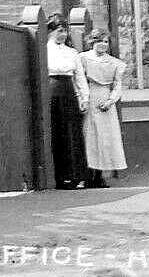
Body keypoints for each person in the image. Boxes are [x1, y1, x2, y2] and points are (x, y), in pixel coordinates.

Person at [76, 29, 127, 188]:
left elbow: (117, 85)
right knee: (90, 136)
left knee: (105, 137)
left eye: (105, 42)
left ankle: (100, 176)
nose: (102, 45)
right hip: (89, 98)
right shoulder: (83, 58)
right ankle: (87, 175)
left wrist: (110, 101)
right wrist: (83, 99)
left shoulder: (114, 63)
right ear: (92, 42)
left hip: (105, 100)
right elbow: (78, 80)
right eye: (99, 41)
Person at [45, 17, 87, 190]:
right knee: (58, 134)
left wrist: (84, 98)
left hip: (69, 93)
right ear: (50, 31)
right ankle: (61, 177)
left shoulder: (72, 52)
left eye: (64, 31)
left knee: (72, 133)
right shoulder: (44, 50)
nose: (62, 34)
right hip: (52, 93)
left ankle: (76, 176)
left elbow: (80, 77)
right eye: (59, 31)